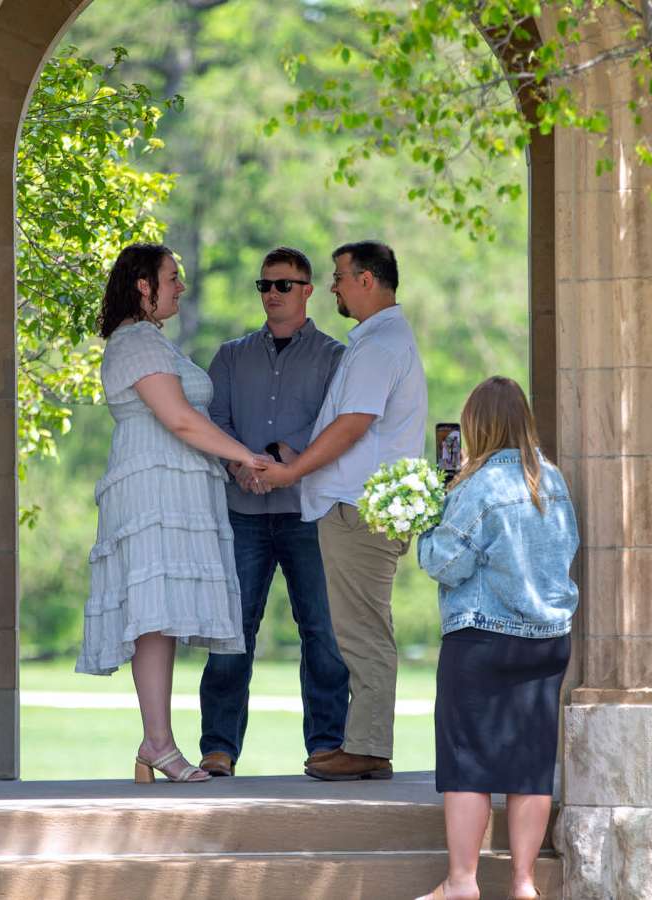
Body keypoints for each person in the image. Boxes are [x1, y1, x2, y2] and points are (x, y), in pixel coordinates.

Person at [76, 243, 269, 785]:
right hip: (151, 490)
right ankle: (159, 742)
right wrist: (245, 455)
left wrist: (232, 464)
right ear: (144, 286)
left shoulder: (156, 343)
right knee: (153, 617)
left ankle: (154, 742)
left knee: (159, 620)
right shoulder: (135, 342)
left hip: (177, 487)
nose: (180, 286)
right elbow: (180, 420)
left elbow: (189, 425)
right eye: (172, 277)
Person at [256, 240, 428, 781]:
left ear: (368, 281)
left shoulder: (380, 345)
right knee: (355, 628)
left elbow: (354, 423)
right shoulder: (379, 340)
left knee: (361, 632)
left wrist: (293, 470)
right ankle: (365, 743)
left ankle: (370, 746)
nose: (333, 286)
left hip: (359, 510)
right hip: (359, 506)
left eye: (339, 277)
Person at [412, 376, 580, 900]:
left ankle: (462, 882)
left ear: (475, 427)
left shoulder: (477, 486)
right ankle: (524, 883)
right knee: (531, 765)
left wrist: (424, 526)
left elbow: (446, 563)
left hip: (482, 640)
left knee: (468, 764)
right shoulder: (551, 480)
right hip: (547, 641)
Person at [195, 247, 351, 777]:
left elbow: (340, 423)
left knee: (322, 632)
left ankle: (328, 746)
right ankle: (218, 748)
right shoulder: (231, 355)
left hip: (308, 512)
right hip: (243, 509)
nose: (272, 294)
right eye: (264, 285)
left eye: (284, 285)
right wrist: (242, 464)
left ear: (308, 290)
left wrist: (289, 455)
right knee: (232, 630)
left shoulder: (335, 357)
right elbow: (212, 420)